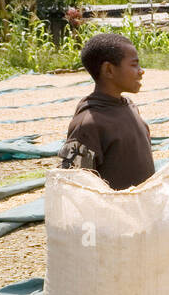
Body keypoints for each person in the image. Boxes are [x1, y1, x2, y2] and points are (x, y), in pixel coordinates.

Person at [59, 32, 154, 190]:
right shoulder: (87, 125)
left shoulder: (129, 107)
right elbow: (72, 185)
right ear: (109, 70)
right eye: (134, 64)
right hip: (114, 213)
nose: (141, 70)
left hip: (143, 210)